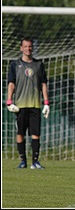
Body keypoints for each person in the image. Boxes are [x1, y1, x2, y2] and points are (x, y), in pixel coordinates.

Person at [6, 37, 50, 169]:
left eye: (30, 46)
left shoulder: (39, 65)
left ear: (32, 48)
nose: (28, 49)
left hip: (35, 104)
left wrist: (46, 102)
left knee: (35, 134)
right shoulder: (14, 65)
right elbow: (11, 84)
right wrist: (9, 101)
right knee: (20, 133)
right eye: (25, 46)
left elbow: (43, 84)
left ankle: (35, 162)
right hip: (20, 105)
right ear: (21, 48)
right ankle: (23, 161)